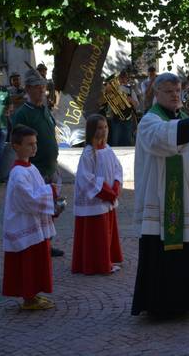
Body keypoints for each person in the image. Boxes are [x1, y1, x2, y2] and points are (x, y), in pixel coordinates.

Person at [131, 72, 189, 316]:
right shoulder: (149, 121)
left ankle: (187, 301)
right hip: (160, 200)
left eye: (177, 91)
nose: (175, 95)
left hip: (185, 201)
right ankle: (162, 305)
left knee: (187, 247)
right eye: (169, 91)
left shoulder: (185, 119)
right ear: (156, 94)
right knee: (162, 252)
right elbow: (162, 139)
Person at [2, 124, 60, 310]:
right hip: (23, 224)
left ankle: (33, 295)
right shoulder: (18, 173)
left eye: (35, 143)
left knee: (36, 261)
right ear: (16, 146)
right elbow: (28, 199)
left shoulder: (31, 168)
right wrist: (51, 191)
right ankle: (28, 298)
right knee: (27, 262)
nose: (34, 147)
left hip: (33, 222)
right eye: (29, 144)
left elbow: (36, 192)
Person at [12, 68, 64, 258]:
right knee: (38, 210)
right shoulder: (23, 114)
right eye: (37, 87)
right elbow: (18, 142)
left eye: (43, 87)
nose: (42, 90)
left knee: (53, 209)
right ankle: (39, 245)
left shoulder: (45, 109)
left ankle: (47, 243)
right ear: (28, 88)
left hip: (52, 166)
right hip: (36, 170)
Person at [72, 114, 124, 275]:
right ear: (92, 131)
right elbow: (85, 178)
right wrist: (106, 192)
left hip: (107, 197)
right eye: (99, 128)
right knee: (96, 235)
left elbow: (117, 169)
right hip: (96, 200)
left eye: (105, 127)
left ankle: (107, 259)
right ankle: (97, 264)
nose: (103, 131)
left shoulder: (108, 149)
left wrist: (116, 185)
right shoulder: (88, 153)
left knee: (107, 232)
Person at [109, 70, 139, 146]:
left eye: (124, 77)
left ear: (127, 79)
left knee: (127, 141)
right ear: (118, 79)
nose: (122, 79)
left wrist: (131, 100)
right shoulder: (113, 89)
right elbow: (109, 104)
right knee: (115, 141)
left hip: (128, 119)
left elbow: (136, 105)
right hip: (116, 118)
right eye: (120, 77)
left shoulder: (130, 89)